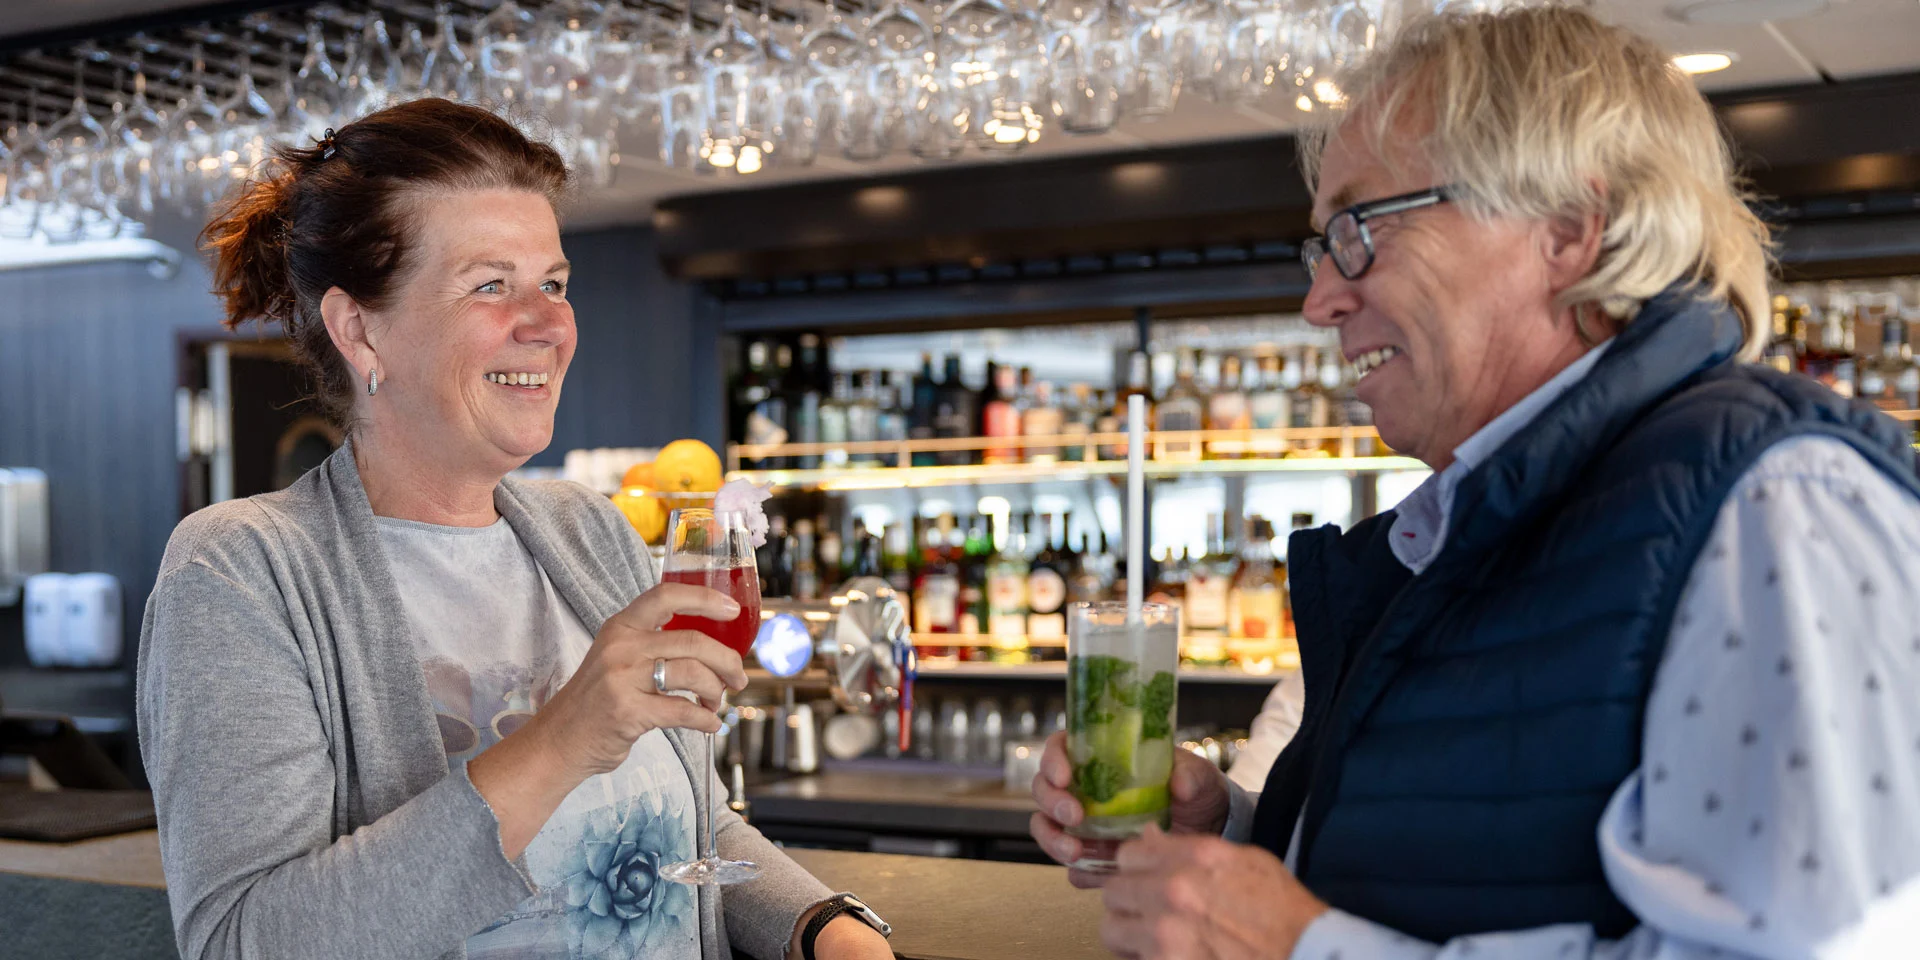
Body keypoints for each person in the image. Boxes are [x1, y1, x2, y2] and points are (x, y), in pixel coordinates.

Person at [1031, 8, 1920, 959]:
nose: (1320, 299)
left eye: (1357, 230)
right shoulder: (1466, 528)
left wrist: (1303, 951)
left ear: (1569, 231)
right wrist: (1233, 835)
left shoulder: (1775, 503)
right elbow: (1459, 868)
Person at [136, 99, 893, 960]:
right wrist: (563, 738)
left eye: (555, 283)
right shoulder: (240, 571)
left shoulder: (585, 530)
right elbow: (243, 942)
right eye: (491, 284)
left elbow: (690, 819)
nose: (548, 323)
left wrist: (824, 927)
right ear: (361, 329)